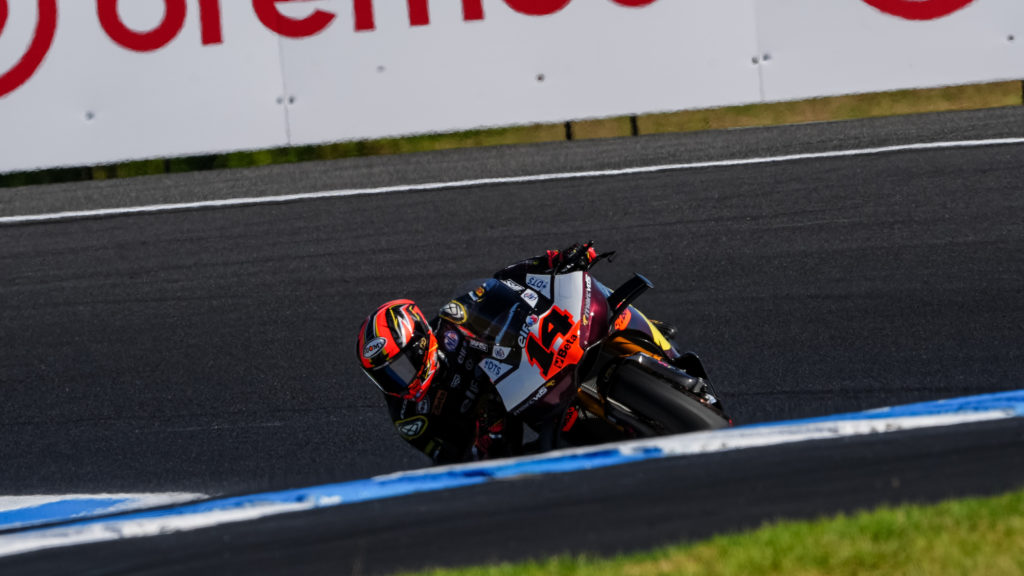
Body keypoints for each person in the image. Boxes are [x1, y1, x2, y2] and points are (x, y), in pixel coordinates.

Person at [356, 242, 608, 464]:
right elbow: (448, 461)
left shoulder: (451, 324)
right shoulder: (408, 417)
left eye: (400, 366)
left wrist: (552, 261)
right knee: (541, 449)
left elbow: (504, 283)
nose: (398, 380)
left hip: (528, 376)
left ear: (420, 341)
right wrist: (480, 442)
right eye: (385, 376)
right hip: (498, 430)